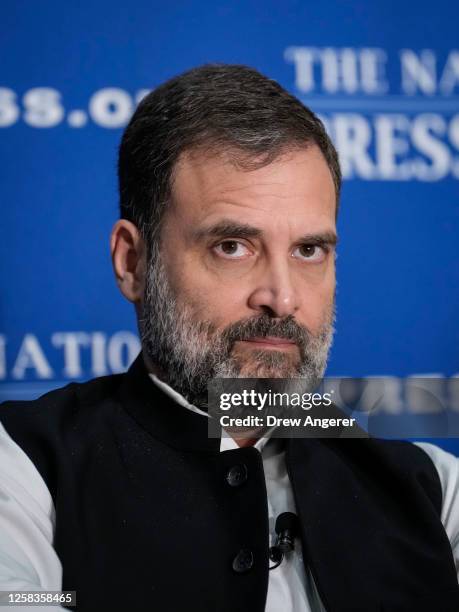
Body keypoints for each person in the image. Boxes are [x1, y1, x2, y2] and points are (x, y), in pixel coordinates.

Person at [1, 64, 459, 612]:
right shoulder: (24, 472)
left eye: (309, 250)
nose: (282, 298)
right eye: (233, 246)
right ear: (133, 262)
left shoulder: (436, 490)